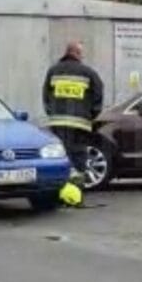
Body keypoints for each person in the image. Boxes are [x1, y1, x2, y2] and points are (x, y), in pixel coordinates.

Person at [42, 41, 105, 205]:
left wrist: (52, 113)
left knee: (60, 157)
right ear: (77, 53)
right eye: (81, 53)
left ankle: (59, 195)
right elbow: (98, 96)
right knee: (78, 158)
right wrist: (91, 115)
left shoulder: (53, 71)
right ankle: (75, 196)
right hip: (80, 124)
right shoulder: (89, 73)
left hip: (58, 123)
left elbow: (46, 96)